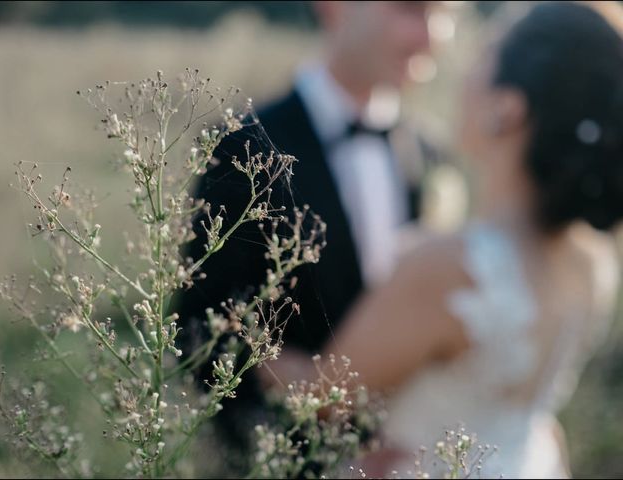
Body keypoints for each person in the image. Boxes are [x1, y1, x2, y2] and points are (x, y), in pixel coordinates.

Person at [262, 2, 623, 477]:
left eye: (484, 58)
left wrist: (242, 337)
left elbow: (320, 397)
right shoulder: (592, 261)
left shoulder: (453, 267)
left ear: (506, 108)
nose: (462, 72)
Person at [176, 1, 444, 450]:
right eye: (410, 9)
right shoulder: (245, 147)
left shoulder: (430, 152)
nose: (432, 36)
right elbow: (199, 327)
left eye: (444, 12)